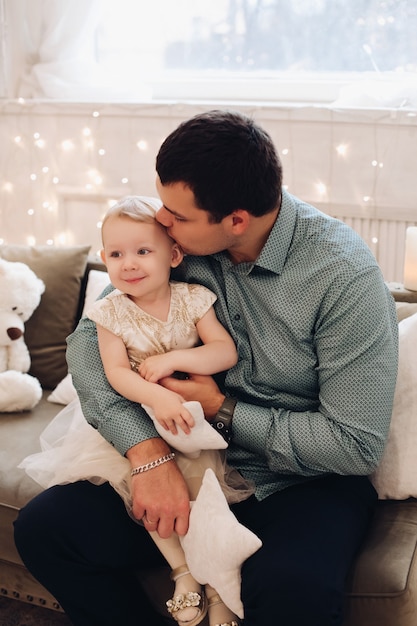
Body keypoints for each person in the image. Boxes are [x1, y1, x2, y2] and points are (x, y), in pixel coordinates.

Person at [14, 109, 399, 626]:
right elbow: (90, 341)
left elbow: (354, 444)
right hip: (181, 453)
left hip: (298, 481)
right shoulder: (177, 246)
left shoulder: (343, 275)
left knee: (293, 591)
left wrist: (221, 408)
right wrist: (147, 453)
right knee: (47, 530)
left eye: (177, 214)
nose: (162, 219)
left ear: (235, 221)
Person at [19, 195, 254, 626]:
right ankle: (182, 572)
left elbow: (224, 352)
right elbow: (115, 374)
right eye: (115, 254)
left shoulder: (193, 299)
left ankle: (219, 586)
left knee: (206, 500)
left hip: (192, 422)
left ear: (174, 255)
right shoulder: (109, 311)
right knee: (145, 493)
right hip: (142, 419)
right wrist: (158, 397)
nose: (128, 264)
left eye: (143, 251)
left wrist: (173, 364)